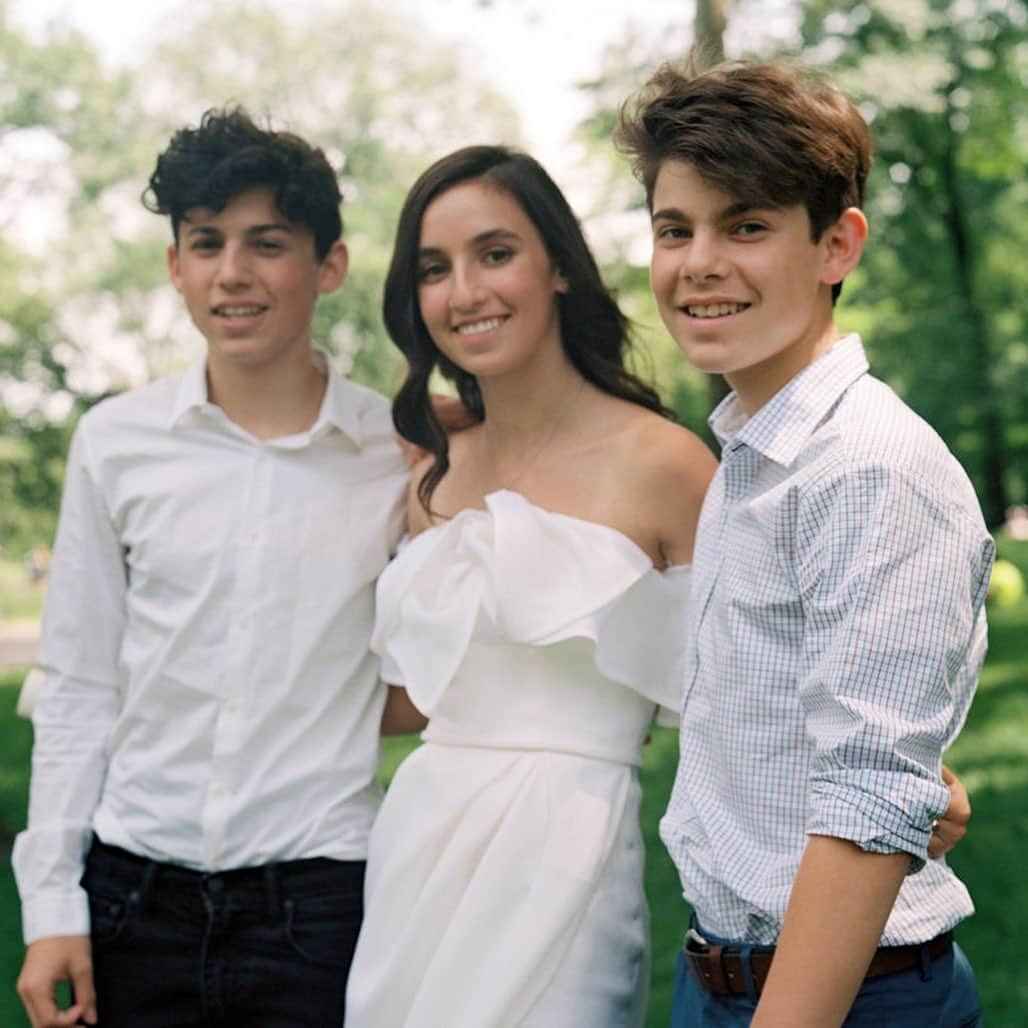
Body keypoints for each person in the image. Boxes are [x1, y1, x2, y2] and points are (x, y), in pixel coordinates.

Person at [614, 61, 994, 1026]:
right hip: (720, 976)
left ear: (836, 246)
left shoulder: (867, 467)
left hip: (837, 995)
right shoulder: (752, 454)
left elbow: (866, 811)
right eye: (674, 229)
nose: (698, 261)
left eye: (745, 225)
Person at [13, 108, 408, 1028]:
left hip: (319, 907)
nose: (233, 272)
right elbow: (74, 685)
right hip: (129, 899)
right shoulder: (114, 443)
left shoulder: (397, 451)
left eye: (267, 243)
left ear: (329, 265)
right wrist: (51, 906)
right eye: (206, 243)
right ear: (176, 267)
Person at [343, 144, 718, 1027]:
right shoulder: (431, 473)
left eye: (496, 253)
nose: (464, 291)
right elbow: (414, 696)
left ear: (557, 268)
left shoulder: (664, 463)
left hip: (569, 849)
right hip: (418, 848)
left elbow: (757, 683)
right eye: (435, 269)